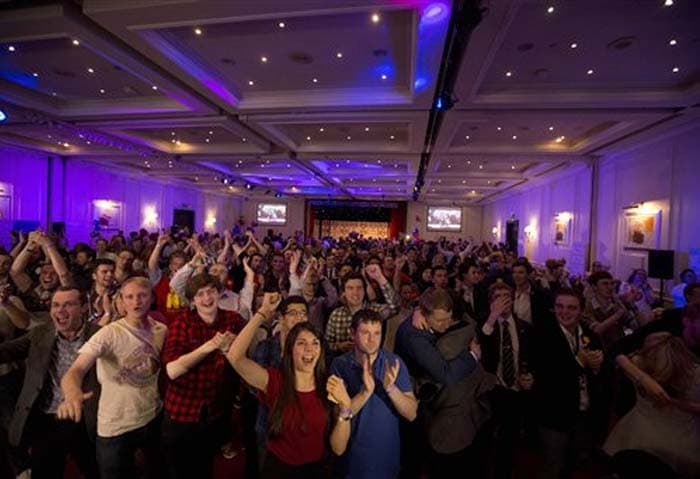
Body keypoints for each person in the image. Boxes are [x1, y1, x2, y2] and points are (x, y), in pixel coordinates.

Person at [226, 292, 351, 479]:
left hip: (317, 470)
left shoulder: (330, 385)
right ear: (290, 350)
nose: (310, 348)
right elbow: (235, 357)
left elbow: (339, 448)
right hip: (279, 469)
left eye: (315, 343)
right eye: (302, 343)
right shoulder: (275, 380)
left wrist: (345, 407)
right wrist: (262, 312)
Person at [58, 276, 167, 479]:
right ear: (122, 301)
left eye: (142, 296)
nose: (136, 302)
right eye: (130, 297)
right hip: (116, 426)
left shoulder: (161, 330)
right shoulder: (108, 334)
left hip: (153, 416)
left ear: (151, 298)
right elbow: (76, 370)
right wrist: (72, 393)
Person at [0, 286, 100, 479]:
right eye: (56, 305)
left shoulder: (99, 335)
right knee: (44, 472)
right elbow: (7, 351)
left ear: (83, 308)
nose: (60, 311)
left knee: (95, 470)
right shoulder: (41, 334)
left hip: (85, 417)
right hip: (47, 418)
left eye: (68, 305)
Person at [161, 273, 241, 479]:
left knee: (205, 466)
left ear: (218, 293)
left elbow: (246, 345)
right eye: (200, 294)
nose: (207, 298)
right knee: (179, 469)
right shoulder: (182, 323)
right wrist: (209, 347)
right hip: (182, 411)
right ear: (193, 300)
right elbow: (172, 370)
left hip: (212, 410)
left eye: (211, 292)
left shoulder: (231, 319)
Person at [330, 309, 417, 479]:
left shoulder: (393, 363)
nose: (372, 339)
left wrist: (391, 389)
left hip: (386, 462)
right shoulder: (339, 365)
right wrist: (365, 392)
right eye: (365, 332)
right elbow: (337, 416)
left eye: (377, 333)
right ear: (353, 334)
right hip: (352, 463)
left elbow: (412, 413)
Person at [532, 288, 608, 479]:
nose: (564, 312)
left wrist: (598, 367)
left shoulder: (590, 335)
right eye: (559, 306)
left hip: (584, 412)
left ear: (581, 310)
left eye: (571, 308)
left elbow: (603, 378)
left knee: (575, 463)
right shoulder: (541, 334)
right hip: (555, 414)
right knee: (553, 466)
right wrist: (580, 362)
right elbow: (545, 377)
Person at [604, 332, 700, 478]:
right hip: (681, 442)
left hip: (638, 435)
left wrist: (671, 401)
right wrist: (645, 379)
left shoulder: (637, 364)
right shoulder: (695, 373)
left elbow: (618, 355)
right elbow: (617, 356)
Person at [325, 266, 399, 355]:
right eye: (350, 288)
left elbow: (395, 307)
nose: (355, 292)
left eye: (359, 288)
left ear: (365, 290)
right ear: (343, 292)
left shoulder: (374, 310)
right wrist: (339, 346)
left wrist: (380, 278)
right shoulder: (336, 315)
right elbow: (326, 344)